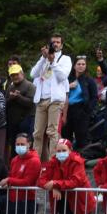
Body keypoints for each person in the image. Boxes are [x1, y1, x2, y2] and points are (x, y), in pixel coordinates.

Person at [30, 33, 73, 161]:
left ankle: (53, 161)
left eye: (58, 42)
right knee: (37, 133)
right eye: (53, 42)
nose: (55, 44)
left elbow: (62, 76)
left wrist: (52, 61)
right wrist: (44, 59)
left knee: (52, 132)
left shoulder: (65, 59)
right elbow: (33, 74)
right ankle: (35, 161)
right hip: (41, 99)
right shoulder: (43, 59)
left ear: (62, 45)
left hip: (55, 100)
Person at [63, 56, 98, 150]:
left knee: (81, 137)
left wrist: (88, 111)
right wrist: (68, 86)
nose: (81, 66)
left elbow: (94, 97)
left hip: (81, 110)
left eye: (83, 64)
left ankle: (82, 159)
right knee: (66, 136)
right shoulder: (67, 79)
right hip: (67, 110)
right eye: (78, 64)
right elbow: (59, 92)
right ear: (74, 66)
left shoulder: (89, 80)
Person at [3, 64, 36, 158]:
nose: (15, 77)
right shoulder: (10, 87)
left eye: (17, 74)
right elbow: (5, 103)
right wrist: (11, 98)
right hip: (13, 122)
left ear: (22, 74)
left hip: (27, 120)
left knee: (27, 144)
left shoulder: (30, 86)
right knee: (14, 146)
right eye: (12, 75)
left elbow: (31, 103)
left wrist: (18, 97)